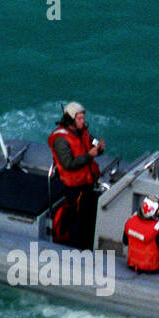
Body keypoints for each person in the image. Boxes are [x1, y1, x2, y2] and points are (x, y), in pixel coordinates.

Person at [49, 101, 104, 249]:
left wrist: (99, 148)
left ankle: (87, 245)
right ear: (70, 119)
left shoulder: (83, 132)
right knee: (77, 221)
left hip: (88, 183)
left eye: (83, 118)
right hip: (74, 188)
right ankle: (75, 249)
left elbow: (93, 143)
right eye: (79, 119)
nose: (82, 121)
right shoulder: (61, 139)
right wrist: (89, 155)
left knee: (88, 218)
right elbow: (68, 164)